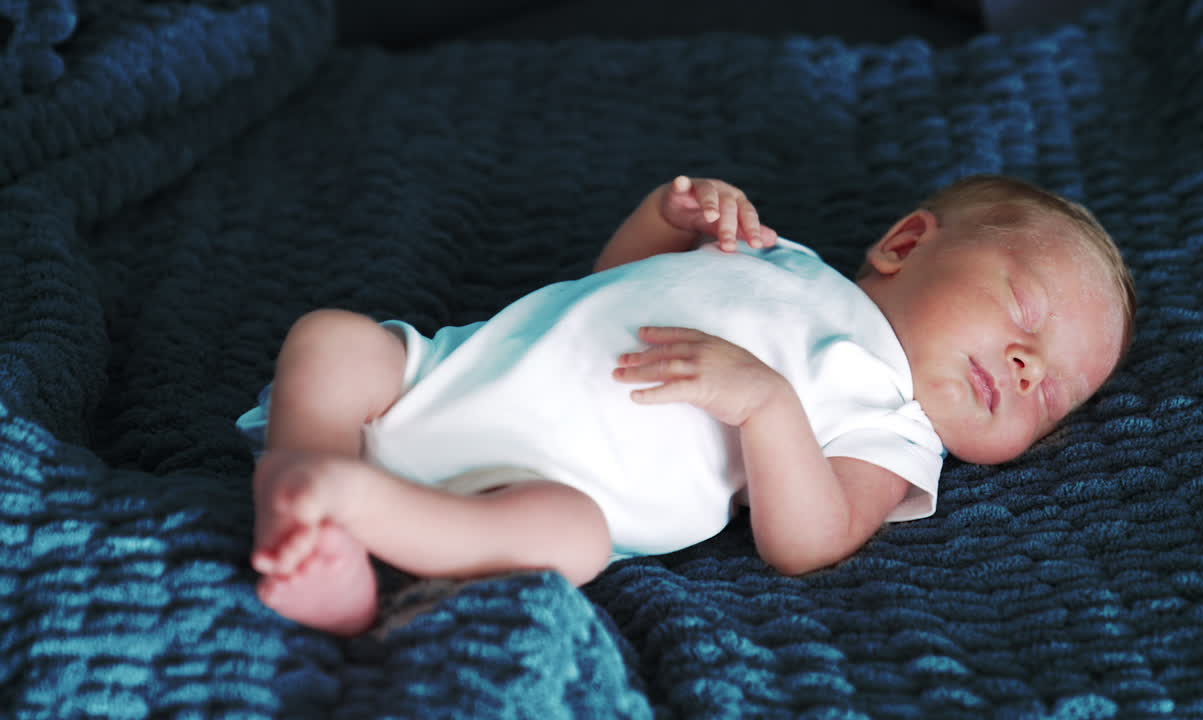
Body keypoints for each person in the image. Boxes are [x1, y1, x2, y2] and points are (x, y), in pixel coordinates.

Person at [239, 174, 1137, 636]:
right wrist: (669, 217)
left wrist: (769, 407)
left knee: (569, 539)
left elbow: (811, 540)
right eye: (1025, 314)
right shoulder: (776, 254)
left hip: (533, 484)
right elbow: (610, 283)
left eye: (1051, 393)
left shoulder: (894, 426)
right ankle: (314, 475)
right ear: (905, 244)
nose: (1026, 368)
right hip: (446, 377)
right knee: (334, 340)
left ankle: (337, 523)